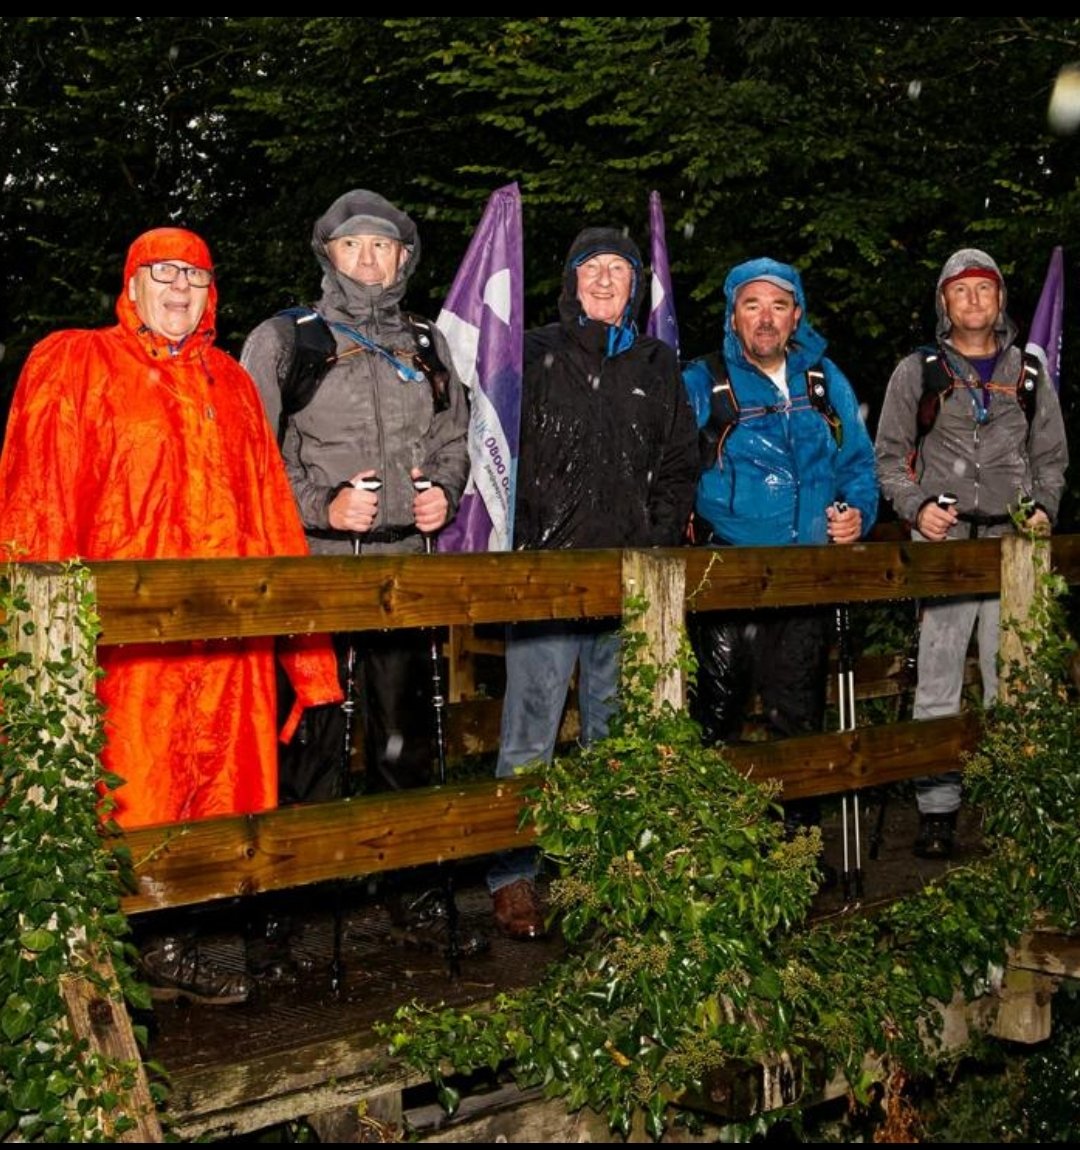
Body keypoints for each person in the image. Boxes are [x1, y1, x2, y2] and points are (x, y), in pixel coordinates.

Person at [0, 226, 343, 1003]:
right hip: (122, 645)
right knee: (124, 793)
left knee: (216, 800)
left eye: (196, 275)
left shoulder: (231, 384)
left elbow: (272, 516)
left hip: (223, 648)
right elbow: (36, 504)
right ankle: (84, 964)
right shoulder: (77, 362)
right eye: (164, 273)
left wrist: (309, 662)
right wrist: (36, 649)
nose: (181, 288)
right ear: (132, 285)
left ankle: (170, 948)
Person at [240, 189, 476, 950]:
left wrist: (444, 492)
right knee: (308, 735)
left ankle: (410, 887)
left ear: (404, 258)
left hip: (403, 571)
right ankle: (291, 898)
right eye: (353, 245)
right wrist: (323, 506)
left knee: (405, 735)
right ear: (328, 254)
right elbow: (249, 455)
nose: (368, 258)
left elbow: (455, 436)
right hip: (311, 575)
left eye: (383, 245)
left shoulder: (427, 342)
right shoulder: (287, 339)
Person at [489, 225, 699, 941]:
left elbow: (681, 460)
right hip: (546, 577)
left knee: (614, 737)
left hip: (625, 581)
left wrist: (655, 538)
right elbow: (496, 448)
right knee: (530, 734)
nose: (605, 279)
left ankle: (603, 869)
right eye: (592, 267)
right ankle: (513, 874)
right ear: (570, 280)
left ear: (636, 285)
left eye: (619, 268)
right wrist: (520, 542)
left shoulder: (656, 362)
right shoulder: (531, 353)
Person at [682, 258, 879, 871]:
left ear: (797, 315)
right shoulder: (703, 382)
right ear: (732, 316)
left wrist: (858, 514)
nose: (765, 318)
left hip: (804, 579)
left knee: (797, 718)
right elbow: (668, 470)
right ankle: (709, 860)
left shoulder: (823, 379)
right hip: (726, 578)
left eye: (778, 305)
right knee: (717, 719)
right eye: (752, 305)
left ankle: (797, 857)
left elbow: (858, 465)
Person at [874, 247, 1068, 860]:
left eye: (984, 288)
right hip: (946, 543)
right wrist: (916, 508)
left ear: (1001, 299)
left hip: (1014, 544)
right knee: (938, 678)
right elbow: (888, 457)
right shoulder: (919, 371)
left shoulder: (1029, 372)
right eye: (960, 290)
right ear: (944, 302)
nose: (974, 299)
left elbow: (1051, 457)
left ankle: (1016, 808)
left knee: (1015, 679)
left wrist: (1044, 507)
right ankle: (938, 809)